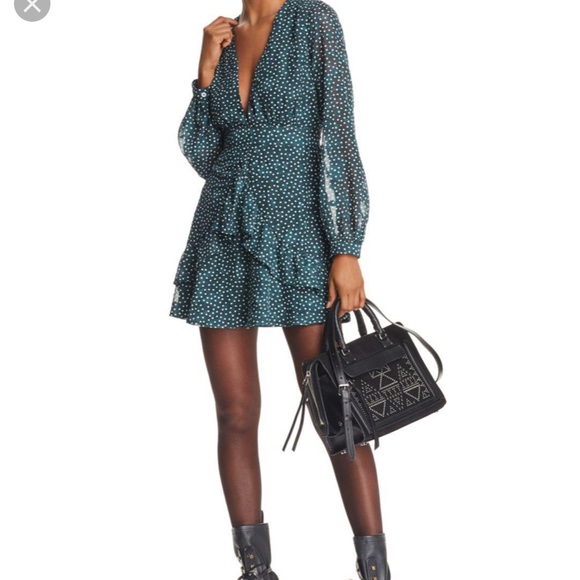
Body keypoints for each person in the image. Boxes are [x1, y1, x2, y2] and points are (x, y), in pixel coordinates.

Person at [169, 0, 390, 578]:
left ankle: (375, 569)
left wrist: (347, 247)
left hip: (299, 235)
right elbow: (205, 153)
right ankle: (255, 570)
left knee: (336, 407)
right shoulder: (222, 36)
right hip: (223, 232)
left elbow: (338, 132)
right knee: (235, 412)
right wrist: (204, 72)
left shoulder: (313, 20)